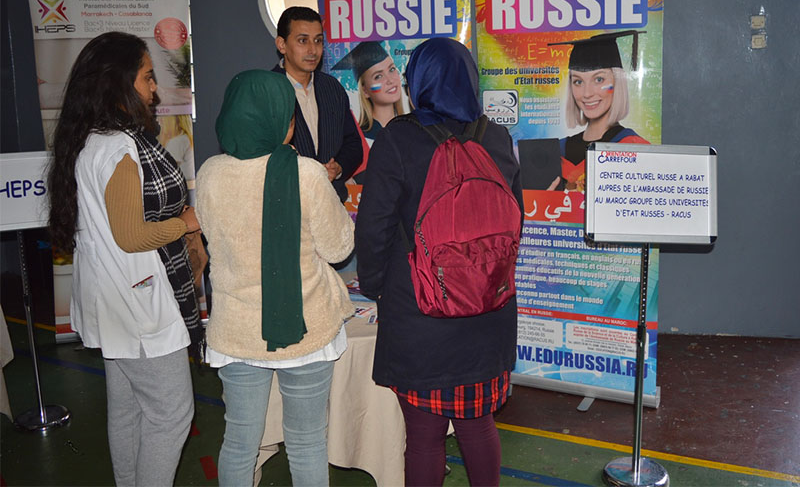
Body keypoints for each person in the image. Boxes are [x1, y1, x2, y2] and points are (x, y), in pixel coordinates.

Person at [354, 38, 523, 487]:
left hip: (420, 312)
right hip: (489, 310)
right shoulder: (499, 138)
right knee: (478, 425)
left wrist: (374, 286)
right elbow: (513, 223)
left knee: (425, 436)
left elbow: (374, 227)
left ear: (418, 83)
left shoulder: (398, 139)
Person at [47, 31, 202, 486]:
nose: (155, 88)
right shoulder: (120, 148)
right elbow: (133, 236)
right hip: (137, 306)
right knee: (173, 413)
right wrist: (188, 224)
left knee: (130, 410)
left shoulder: (91, 139)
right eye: (148, 78)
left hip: (112, 301)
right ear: (118, 83)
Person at [195, 70, 355, 486]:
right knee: (306, 441)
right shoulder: (307, 174)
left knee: (240, 440)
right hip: (305, 329)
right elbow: (339, 249)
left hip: (235, 331)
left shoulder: (210, 173)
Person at [272, 6, 362, 202]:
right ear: (282, 44)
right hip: (287, 205)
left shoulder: (332, 88)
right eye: (303, 41)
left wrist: (338, 167)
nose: (313, 50)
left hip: (332, 201)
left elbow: (353, 144)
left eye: (318, 41)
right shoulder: (266, 91)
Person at [550, 30, 650, 191]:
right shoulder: (557, 151)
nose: (587, 93)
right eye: (578, 82)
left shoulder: (633, 147)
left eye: (598, 79)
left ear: (618, 83)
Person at [331, 41, 405, 141]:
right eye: (378, 76)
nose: (390, 80)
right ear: (365, 91)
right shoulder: (361, 138)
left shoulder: (410, 128)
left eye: (391, 69)